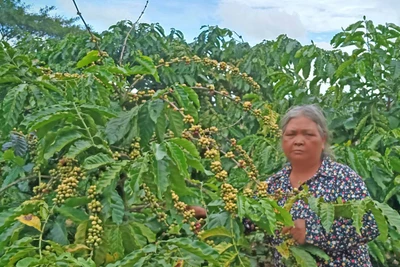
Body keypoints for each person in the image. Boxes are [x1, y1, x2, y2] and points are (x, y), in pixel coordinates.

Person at [189, 104, 379, 266]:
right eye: (291, 134)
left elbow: (370, 225)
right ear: (282, 141)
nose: (298, 141)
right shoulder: (272, 185)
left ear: (323, 140)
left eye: (308, 134)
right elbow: (249, 218)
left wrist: (311, 233)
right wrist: (208, 215)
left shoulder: (344, 178)